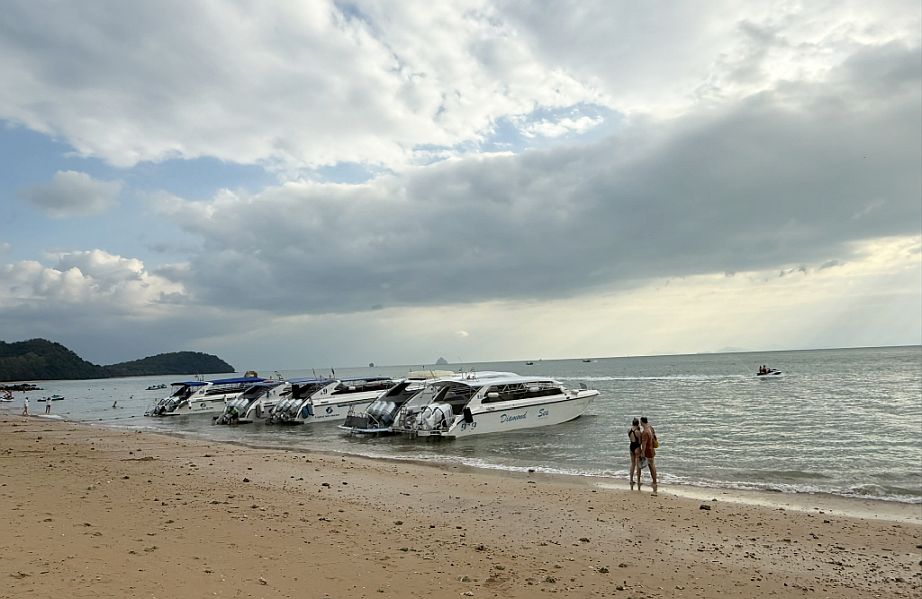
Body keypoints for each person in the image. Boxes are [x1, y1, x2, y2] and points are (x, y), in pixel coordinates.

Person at [640, 416, 658, 496]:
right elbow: (654, 436)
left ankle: (654, 482)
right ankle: (654, 481)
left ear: (642, 422)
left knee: (651, 466)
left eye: (640, 422)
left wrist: (642, 453)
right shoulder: (650, 427)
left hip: (648, 450)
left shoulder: (645, 432)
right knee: (652, 465)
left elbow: (644, 444)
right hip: (652, 449)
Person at [628, 418, 642, 489]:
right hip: (637, 447)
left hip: (631, 446)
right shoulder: (637, 432)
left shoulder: (629, 430)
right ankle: (638, 480)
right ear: (638, 424)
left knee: (632, 463)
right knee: (638, 464)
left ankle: (631, 479)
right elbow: (640, 442)